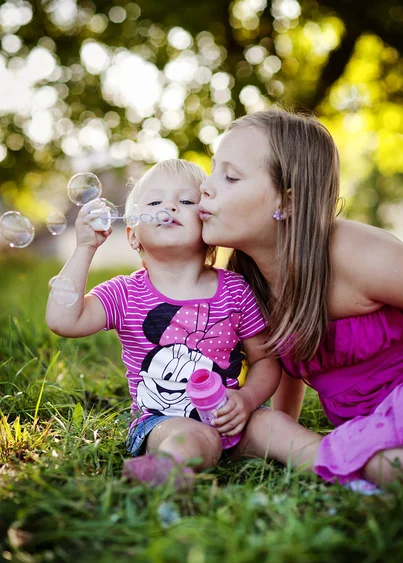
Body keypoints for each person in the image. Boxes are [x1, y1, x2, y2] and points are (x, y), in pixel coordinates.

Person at [199, 107, 403, 489]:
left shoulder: (357, 255)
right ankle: (288, 437)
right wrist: (285, 417)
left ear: (288, 202)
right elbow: (283, 355)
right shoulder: (247, 279)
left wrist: (279, 433)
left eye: (229, 177)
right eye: (212, 171)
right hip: (374, 423)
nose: (206, 187)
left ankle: (288, 443)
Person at [46, 158, 319, 488]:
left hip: (235, 420)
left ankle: (345, 464)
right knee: (191, 438)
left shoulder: (234, 289)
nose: (170, 207)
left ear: (207, 228)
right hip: (164, 424)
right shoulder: (125, 293)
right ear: (133, 236)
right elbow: (64, 321)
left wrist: (246, 402)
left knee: (278, 427)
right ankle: (168, 471)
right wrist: (85, 247)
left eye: (187, 201)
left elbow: (265, 360)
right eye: (155, 201)